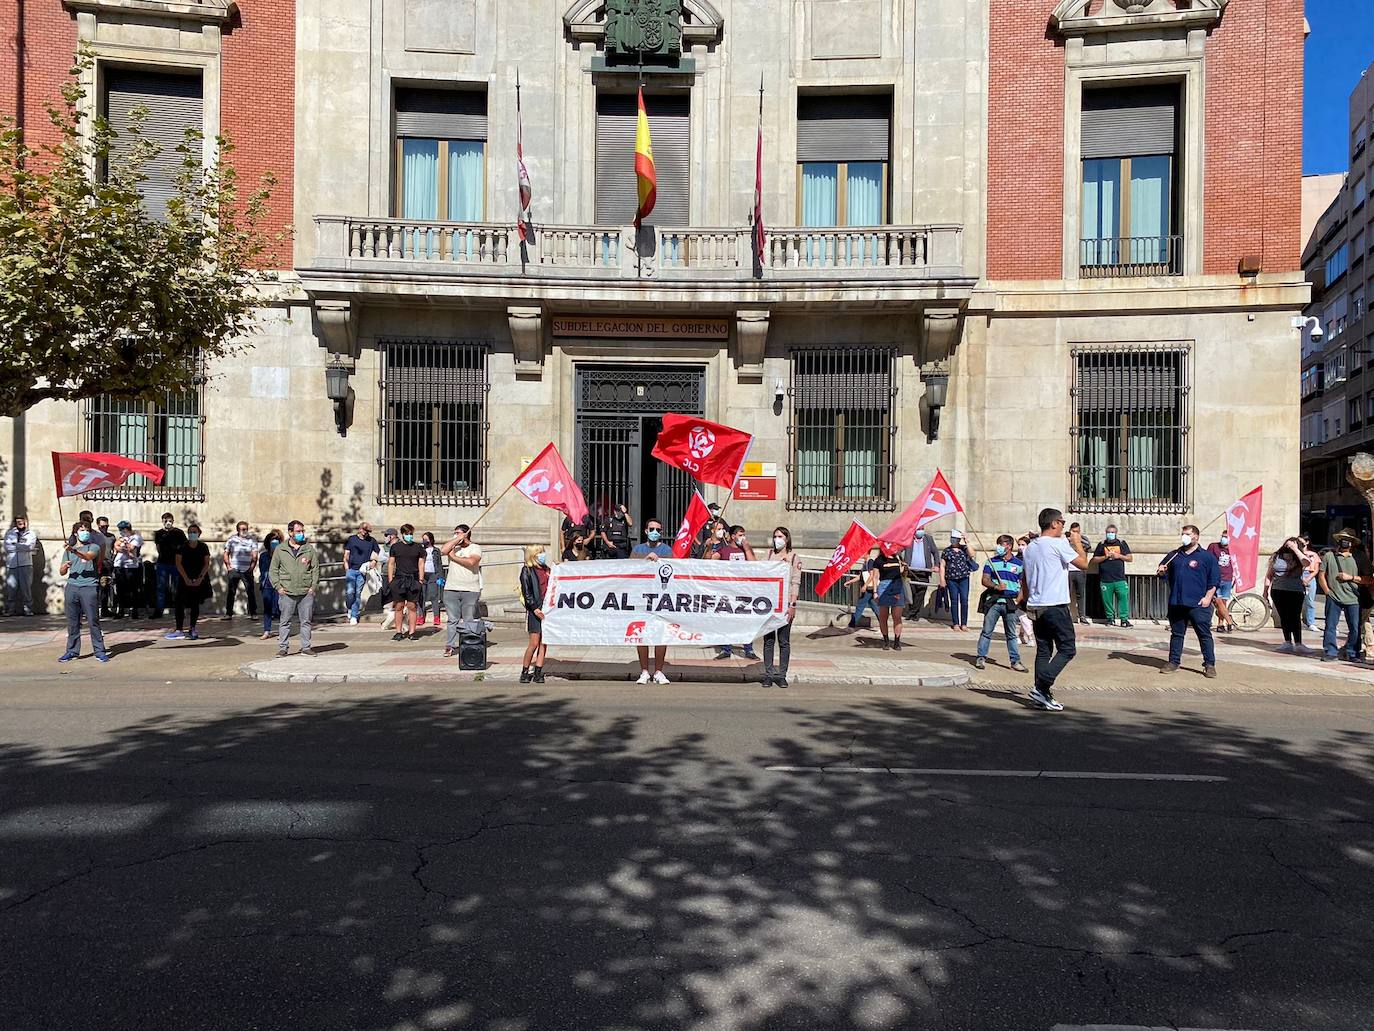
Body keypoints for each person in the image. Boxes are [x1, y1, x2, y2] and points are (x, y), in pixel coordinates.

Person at [1016, 508, 1088, 711]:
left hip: (1036, 604)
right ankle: (1041, 686)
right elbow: (1083, 564)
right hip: (1054, 605)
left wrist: (1025, 599)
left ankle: (1042, 695)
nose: (1063, 526)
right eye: (1062, 523)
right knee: (1067, 648)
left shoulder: (1030, 548)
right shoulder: (1058, 544)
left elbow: (1025, 577)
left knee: (1044, 650)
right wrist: (1077, 543)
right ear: (1055, 523)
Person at [1156, 524, 1220, 677]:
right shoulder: (1174, 555)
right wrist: (1161, 572)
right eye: (1183, 534)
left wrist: (1207, 598)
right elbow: (1164, 573)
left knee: (1204, 635)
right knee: (1177, 634)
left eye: (1187, 534)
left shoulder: (1206, 557)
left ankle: (1209, 664)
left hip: (1198, 604)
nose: (1184, 536)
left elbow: (1215, 581)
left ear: (1196, 536)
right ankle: (1173, 661)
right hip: (1177, 603)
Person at [629, 518, 674, 683]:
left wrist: (660, 561)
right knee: (642, 635)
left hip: (661, 599)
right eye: (652, 529)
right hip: (641, 599)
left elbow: (673, 570)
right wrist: (644, 560)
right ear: (646, 531)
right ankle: (644, 671)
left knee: (661, 635)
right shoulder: (638, 549)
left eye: (658, 530)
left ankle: (659, 671)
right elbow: (628, 570)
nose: (655, 532)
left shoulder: (667, 550)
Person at [974, 534, 1028, 672]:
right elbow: (985, 580)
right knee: (987, 631)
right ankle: (981, 657)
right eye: (998, 544)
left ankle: (1015, 661)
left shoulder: (1019, 564)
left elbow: (1023, 584)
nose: (998, 547)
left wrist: (1018, 600)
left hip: (1010, 602)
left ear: (1009, 546)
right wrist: (995, 586)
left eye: (1001, 544)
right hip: (994, 601)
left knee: (1011, 634)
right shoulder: (990, 562)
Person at [58, 521, 109, 663]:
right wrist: (65, 566)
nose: (84, 532)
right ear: (75, 533)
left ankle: (99, 650)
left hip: (89, 587)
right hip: (72, 586)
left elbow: (88, 557)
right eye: (81, 529)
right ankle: (72, 650)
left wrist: (73, 551)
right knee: (73, 621)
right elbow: (62, 572)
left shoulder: (94, 547)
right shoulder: (69, 550)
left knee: (93, 620)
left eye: (87, 529)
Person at [708, 524, 759, 660]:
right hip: (728, 591)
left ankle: (749, 649)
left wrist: (747, 549)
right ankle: (726, 649)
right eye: (740, 534)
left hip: (744, 591)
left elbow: (755, 565)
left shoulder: (746, 550)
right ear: (732, 536)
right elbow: (709, 561)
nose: (743, 537)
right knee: (726, 619)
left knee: (746, 620)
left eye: (744, 534)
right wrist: (709, 547)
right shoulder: (724, 550)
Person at [270, 520, 320, 657]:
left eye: (302, 531)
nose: (301, 534)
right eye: (298, 531)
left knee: (306, 621)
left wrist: (313, 587)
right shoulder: (280, 549)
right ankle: (283, 648)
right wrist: (278, 587)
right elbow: (273, 570)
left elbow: (315, 569)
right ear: (290, 532)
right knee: (285, 621)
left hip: (306, 592)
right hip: (287, 592)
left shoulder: (309, 549)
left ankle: (306, 647)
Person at [762, 526, 803, 688]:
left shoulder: (794, 558)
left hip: (785, 604)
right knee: (768, 640)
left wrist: (792, 604)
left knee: (784, 641)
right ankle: (768, 674)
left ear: (787, 539)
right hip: (769, 604)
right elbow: (761, 574)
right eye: (774, 536)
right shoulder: (769, 555)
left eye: (780, 536)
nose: (776, 539)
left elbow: (795, 582)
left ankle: (782, 675)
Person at [1318, 529, 1362, 663]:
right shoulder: (1329, 556)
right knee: (1330, 625)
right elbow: (1321, 575)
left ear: (1352, 543)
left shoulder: (1359, 557)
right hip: (1334, 597)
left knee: (1355, 627)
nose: (1345, 542)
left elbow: (1368, 579)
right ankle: (1330, 651)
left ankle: (1352, 652)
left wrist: (1351, 577)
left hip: (1353, 598)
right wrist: (1327, 591)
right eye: (1343, 539)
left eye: (1348, 540)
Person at [440, 524, 482, 658]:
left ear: (466, 534)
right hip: (451, 588)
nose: (455, 535)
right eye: (454, 533)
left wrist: (454, 557)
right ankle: (450, 645)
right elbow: (443, 550)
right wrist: (455, 540)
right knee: (452, 619)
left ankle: (469, 644)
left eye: (458, 533)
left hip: (470, 589)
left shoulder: (475, 547)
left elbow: (471, 562)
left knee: (468, 619)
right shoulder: (453, 547)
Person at [166, 523, 212, 641]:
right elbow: (178, 563)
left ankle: (193, 628)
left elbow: (206, 563)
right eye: (190, 532)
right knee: (179, 603)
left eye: (194, 532)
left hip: (199, 578)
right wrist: (186, 578)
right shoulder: (182, 546)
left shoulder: (203, 547)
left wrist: (200, 578)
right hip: (184, 577)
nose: (192, 534)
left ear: (199, 533)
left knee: (195, 604)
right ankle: (179, 629)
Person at [1264, 537, 1310, 653]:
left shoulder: (1299, 557)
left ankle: (1298, 642)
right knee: (1284, 616)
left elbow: (1306, 562)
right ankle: (1287, 641)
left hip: (1295, 591)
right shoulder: (1276, 556)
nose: (1289, 546)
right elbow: (1269, 574)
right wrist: (1265, 591)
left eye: (1293, 544)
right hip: (1278, 590)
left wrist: (1295, 549)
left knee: (1295, 616)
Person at [518, 543, 552, 683]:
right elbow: (527, 592)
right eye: (539, 552)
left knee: (544, 642)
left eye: (543, 551)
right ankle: (525, 671)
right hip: (535, 609)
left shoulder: (547, 569)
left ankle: (538, 672)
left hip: (548, 609)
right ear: (532, 555)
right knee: (534, 642)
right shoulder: (527, 571)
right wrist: (534, 608)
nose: (542, 554)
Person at [387, 523, 426, 642]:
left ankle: (412, 632)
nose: (409, 536)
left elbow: (421, 563)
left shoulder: (418, 547)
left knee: (412, 606)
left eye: (411, 534)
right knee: (399, 605)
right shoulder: (395, 547)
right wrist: (390, 580)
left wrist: (420, 579)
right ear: (402, 534)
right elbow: (391, 563)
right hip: (399, 579)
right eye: (407, 534)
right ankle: (398, 631)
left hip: (413, 579)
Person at [1090, 523, 1133, 628]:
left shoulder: (1122, 543)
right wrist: (1105, 556)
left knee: (1123, 598)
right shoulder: (1101, 545)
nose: (1110, 534)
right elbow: (1094, 559)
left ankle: (1124, 619)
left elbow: (1130, 558)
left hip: (1119, 578)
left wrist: (1119, 556)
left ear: (1116, 533)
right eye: (1108, 532)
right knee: (1107, 601)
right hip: (1105, 579)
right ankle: (1110, 618)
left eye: (1112, 532)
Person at [866, 546, 907, 650]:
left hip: (897, 586)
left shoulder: (898, 558)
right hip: (884, 587)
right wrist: (875, 592)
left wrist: (904, 569)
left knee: (897, 616)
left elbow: (905, 575)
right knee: (883, 616)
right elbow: (875, 577)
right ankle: (886, 641)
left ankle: (897, 641)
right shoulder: (879, 560)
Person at [939, 529, 977, 631]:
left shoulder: (964, 549)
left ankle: (964, 623)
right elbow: (942, 565)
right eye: (952, 538)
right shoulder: (946, 551)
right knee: (954, 600)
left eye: (956, 539)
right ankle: (955, 623)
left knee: (964, 600)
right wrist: (942, 579)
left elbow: (972, 554)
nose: (954, 540)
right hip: (951, 579)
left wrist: (967, 541)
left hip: (964, 578)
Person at [343, 522, 380, 625]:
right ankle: (350, 608)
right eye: (364, 530)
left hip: (362, 571)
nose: (365, 532)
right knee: (350, 592)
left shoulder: (371, 541)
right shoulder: (352, 539)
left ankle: (354, 615)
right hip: (351, 569)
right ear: (360, 529)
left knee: (357, 593)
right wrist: (346, 568)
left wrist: (374, 561)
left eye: (368, 531)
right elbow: (346, 554)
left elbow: (377, 553)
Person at [152, 513, 188, 619]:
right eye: (165, 520)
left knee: (177, 587)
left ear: (173, 521)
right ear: (162, 521)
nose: (168, 522)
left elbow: (184, 546)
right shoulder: (159, 533)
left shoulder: (179, 532)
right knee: (160, 587)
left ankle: (180, 609)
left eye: (170, 520)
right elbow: (158, 547)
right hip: (162, 563)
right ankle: (159, 610)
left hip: (176, 564)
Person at [222, 520, 259, 620]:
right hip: (234, 569)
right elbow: (226, 553)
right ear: (237, 530)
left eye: (245, 529)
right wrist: (229, 567)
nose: (244, 531)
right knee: (231, 592)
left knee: (250, 592)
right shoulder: (231, 540)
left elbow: (255, 555)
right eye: (242, 529)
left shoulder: (252, 540)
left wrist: (252, 568)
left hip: (247, 570)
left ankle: (253, 613)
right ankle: (228, 613)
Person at [903, 528, 942, 620]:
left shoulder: (928, 539)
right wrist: (901, 562)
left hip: (924, 571)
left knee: (921, 593)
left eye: (922, 529)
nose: (920, 530)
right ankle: (913, 613)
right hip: (910, 571)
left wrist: (936, 565)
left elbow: (935, 552)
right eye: (918, 529)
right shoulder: (908, 538)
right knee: (911, 592)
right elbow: (899, 550)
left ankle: (912, 613)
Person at [4, 515, 38, 616]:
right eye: (18, 522)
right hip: (12, 565)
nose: (20, 524)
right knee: (11, 589)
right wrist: (21, 547)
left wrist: (15, 545)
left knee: (26, 588)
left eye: (22, 522)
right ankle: (10, 610)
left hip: (25, 564)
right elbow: (7, 547)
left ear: (26, 522)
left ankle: (28, 609)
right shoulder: (9, 533)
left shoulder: (30, 534)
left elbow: (29, 547)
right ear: (15, 523)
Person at [111, 520, 144, 619]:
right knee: (120, 589)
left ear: (127, 529)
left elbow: (131, 548)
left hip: (131, 567)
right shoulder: (121, 538)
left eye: (122, 530)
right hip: (119, 565)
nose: (121, 532)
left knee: (133, 589)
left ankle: (134, 610)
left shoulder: (136, 537)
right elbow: (116, 546)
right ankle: (120, 610)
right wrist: (124, 547)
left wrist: (124, 546)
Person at [1207, 531, 1236, 633]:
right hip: (1216, 578)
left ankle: (1220, 624)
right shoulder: (1213, 547)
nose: (1223, 539)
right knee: (1218, 601)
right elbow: (1208, 560)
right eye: (1223, 536)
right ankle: (1230, 622)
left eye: (1226, 537)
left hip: (1228, 578)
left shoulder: (1233, 549)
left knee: (1223, 603)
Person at [845, 549, 881, 629]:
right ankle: (883, 626)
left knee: (860, 606)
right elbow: (860, 576)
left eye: (862, 552)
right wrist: (850, 582)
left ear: (866, 553)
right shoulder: (866, 563)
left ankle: (851, 626)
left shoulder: (870, 562)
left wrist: (865, 585)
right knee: (875, 607)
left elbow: (872, 575)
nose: (860, 554)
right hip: (870, 588)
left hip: (869, 588)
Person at [258, 529, 282, 640]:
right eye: (272, 541)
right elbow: (262, 570)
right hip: (267, 584)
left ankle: (282, 631)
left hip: (279, 584)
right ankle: (267, 630)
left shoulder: (282, 555)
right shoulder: (263, 556)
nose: (274, 543)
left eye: (276, 540)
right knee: (267, 608)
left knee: (279, 608)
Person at [1067, 521, 1093, 625]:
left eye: (1077, 531)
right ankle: (1067, 616)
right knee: (1066, 594)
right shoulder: (1065, 540)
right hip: (1068, 570)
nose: (1075, 533)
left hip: (1080, 571)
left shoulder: (1084, 539)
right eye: (1073, 531)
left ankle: (1082, 616)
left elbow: (1088, 548)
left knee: (1081, 594)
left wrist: (1079, 539)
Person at [92, 514, 116, 617]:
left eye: (106, 526)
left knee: (105, 587)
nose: (104, 528)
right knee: (95, 588)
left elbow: (115, 548)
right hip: (97, 564)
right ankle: (94, 610)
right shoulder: (94, 536)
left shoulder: (111, 537)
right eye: (102, 526)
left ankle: (105, 609)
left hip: (107, 564)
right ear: (98, 526)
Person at [420, 531, 445, 627]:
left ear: (431, 539)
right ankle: (421, 616)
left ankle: (436, 617)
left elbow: (439, 564)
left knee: (434, 596)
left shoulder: (436, 550)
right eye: (423, 539)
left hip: (433, 574)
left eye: (426, 539)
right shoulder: (421, 549)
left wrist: (440, 576)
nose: (424, 541)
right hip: (423, 574)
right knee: (421, 596)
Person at [1297, 536, 1321, 632]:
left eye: (1302, 542)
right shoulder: (1297, 553)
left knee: (1310, 601)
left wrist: (1308, 578)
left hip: (1310, 575)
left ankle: (1311, 622)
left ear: (1307, 542)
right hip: (1298, 575)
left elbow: (1316, 569)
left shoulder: (1313, 554)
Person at [378, 528, 399, 630]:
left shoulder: (400, 545)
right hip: (386, 573)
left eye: (387, 535)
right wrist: (390, 557)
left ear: (392, 536)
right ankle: (387, 617)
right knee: (386, 593)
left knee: (396, 596)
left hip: (398, 574)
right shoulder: (384, 547)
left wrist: (390, 557)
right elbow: (380, 558)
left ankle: (394, 618)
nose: (385, 537)